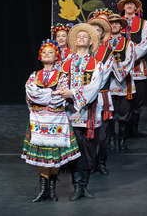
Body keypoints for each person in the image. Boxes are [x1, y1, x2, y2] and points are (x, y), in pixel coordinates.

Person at [22, 40, 81, 202]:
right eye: (44, 52)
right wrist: (50, 94)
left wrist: (42, 96)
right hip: (39, 120)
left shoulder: (62, 77)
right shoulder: (34, 75)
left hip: (56, 120)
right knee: (42, 153)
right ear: (40, 57)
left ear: (57, 57)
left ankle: (52, 190)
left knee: (55, 153)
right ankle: (43, 190)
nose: (47, 55)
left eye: (51, 52)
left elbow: (60, 97)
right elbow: (30, 93)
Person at [57, 23, 102, 200]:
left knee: (90, 149)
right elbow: (59, 83)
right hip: (71, 113)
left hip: (90, 112)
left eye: (85, 36)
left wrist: (73, 93)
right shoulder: (65, 64)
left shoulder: (97, 64)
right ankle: (77, 185)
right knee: (74, 150)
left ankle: (85, 185)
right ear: (75, 42)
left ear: (91, 42)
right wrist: (64, 93)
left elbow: (95, 87)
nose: (81, 38)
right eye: (79, 36)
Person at [119, 0, 147, 137]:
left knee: (138, 99)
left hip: (138, 67)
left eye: (132, 3)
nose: (129, 5)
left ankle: (134, 130)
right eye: (127, 3)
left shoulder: (144, 24)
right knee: (124, 99)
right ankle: (123, 131)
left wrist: (130, 56)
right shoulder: (117, 23)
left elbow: (145, 44)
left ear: (136, 7)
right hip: (122, 68)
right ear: (123, 7)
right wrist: (125, 59)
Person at [88, 15, 114, 174]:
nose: (95, 32)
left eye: (98, 30)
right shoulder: (81, 52)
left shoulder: (107, 53)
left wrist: (89, 88)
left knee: (103, 133)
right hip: (85, 98)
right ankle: (90, 163)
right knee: (88, 132)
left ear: (103, 34)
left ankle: (101, 161)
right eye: (93, 29)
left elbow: (103, 76)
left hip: (101, 96)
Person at [106, 14, 136, 151]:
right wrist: (108, 69)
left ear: (121, 26)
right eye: (112, 23)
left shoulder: (128, 43)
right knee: (110, 112)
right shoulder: (103, 43)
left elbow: (129, 61)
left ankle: (122, 139)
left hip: (123, 82)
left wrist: (114, 68)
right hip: (108, 82)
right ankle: (111, 138)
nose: (114, 25)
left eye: (117, 23)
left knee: (124, 112)